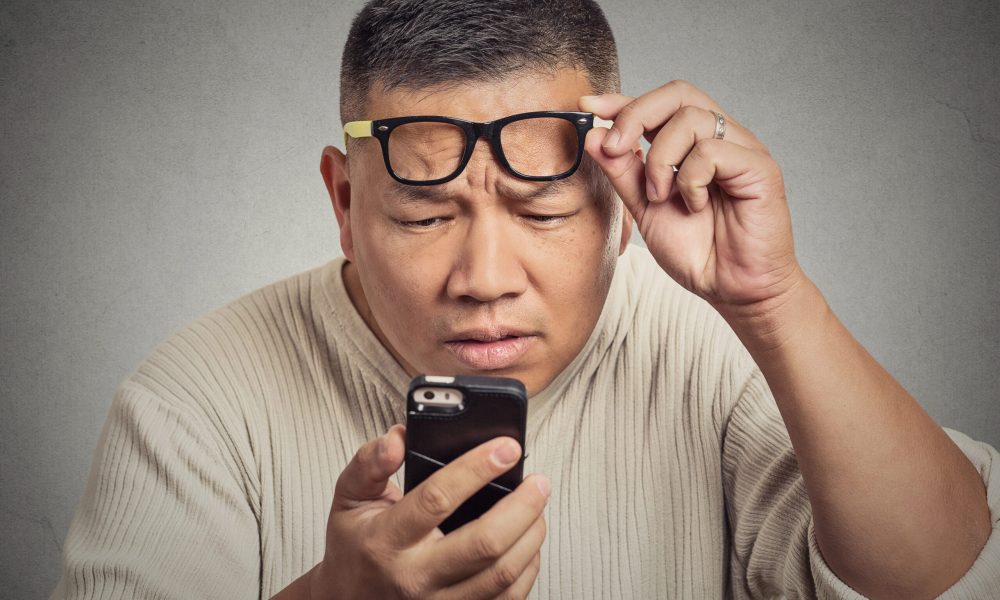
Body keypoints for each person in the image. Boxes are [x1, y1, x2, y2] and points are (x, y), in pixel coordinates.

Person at [52, 0, 999, 598]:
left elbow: (950, 580)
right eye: (424, 216)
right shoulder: (195, 400)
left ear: (620, 207)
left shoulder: (720, 356)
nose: (486, 278)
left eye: (542, 207)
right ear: (345, 204)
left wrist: (775, 301)